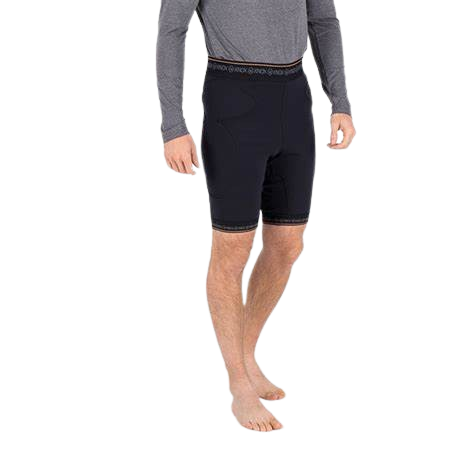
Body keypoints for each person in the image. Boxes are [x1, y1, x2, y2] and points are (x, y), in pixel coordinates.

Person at [156, 0, 356, 432]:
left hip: (293, 97)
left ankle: (245, 357)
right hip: (233, 98)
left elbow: (323, 21)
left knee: (287, 244)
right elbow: (171, 31)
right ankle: (239, 386)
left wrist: (340, 101)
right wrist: (173, 125)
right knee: (233, 248)